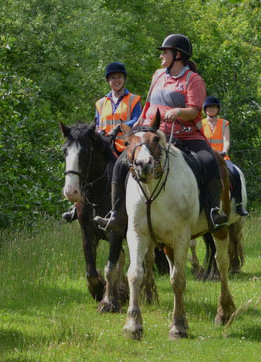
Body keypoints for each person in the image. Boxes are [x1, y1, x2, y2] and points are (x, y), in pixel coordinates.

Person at [96, 34, 230, 233]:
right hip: (153, 134)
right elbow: (149, 103)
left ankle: (212, 211)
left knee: (209, 160)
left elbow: (194, 110)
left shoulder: (194, 80)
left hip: (186, 135)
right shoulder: (158, 75)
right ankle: (116, 215)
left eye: (165, 52)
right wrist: (140, 123)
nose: (161, 56)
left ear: (177, 55)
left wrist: (178, 112)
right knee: (120, 163)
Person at [62, 61, 142, 222]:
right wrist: (100, 134)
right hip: (104, 146)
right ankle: (77, 206)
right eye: (112, 78)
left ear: (124, 79)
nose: (116, 80)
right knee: (87, 166)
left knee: (120, 172)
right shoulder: (100, 103)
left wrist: (119, 128)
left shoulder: (133, 100)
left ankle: (124, 208)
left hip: (124, 147)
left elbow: (137, 120)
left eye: (119, 77)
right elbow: (97, 124)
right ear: (108, 81)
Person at [202, 96, 248, 216]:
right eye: (209, 107)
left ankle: (239, 204)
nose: (211, 109)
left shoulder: (224, 123)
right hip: (207, 157)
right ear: (205, 109)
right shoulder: (201, 124)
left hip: (222, 157)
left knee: (235, 173)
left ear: (218, 109)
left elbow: (226, 140)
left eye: (214, 107)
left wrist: (224, 151)